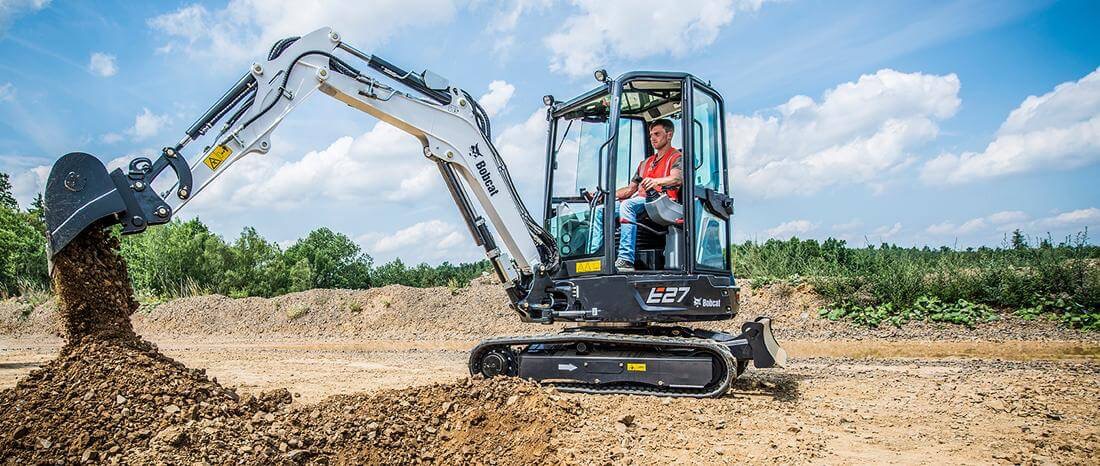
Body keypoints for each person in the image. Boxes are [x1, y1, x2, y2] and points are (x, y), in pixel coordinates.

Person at [589, 118, 682, 272]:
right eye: (651, 135)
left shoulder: (676, 157)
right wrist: (605, 195)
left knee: (627, 205)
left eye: (657, 134)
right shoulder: (645, 163)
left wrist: (656, 182)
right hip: (641, 200)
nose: (652, 138)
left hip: (663, 202)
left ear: (669, 135)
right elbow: (630, 190)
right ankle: (596, 255)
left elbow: (677, 178)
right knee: (601, 210)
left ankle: (625, 259)